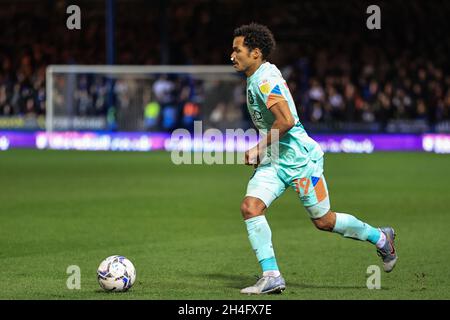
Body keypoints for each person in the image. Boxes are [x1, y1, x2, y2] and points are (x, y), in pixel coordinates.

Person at [230, 23, 397, 295]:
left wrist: (259, 147)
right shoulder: (257, 76)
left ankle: (381, 237)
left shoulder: (264, 80)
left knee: (324, 221)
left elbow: (286, 121)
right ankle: (271, 275)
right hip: (275, 161)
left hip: (300, 162)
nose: (232, 55)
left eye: (238, 50)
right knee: (251, 207)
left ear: (256, 53)